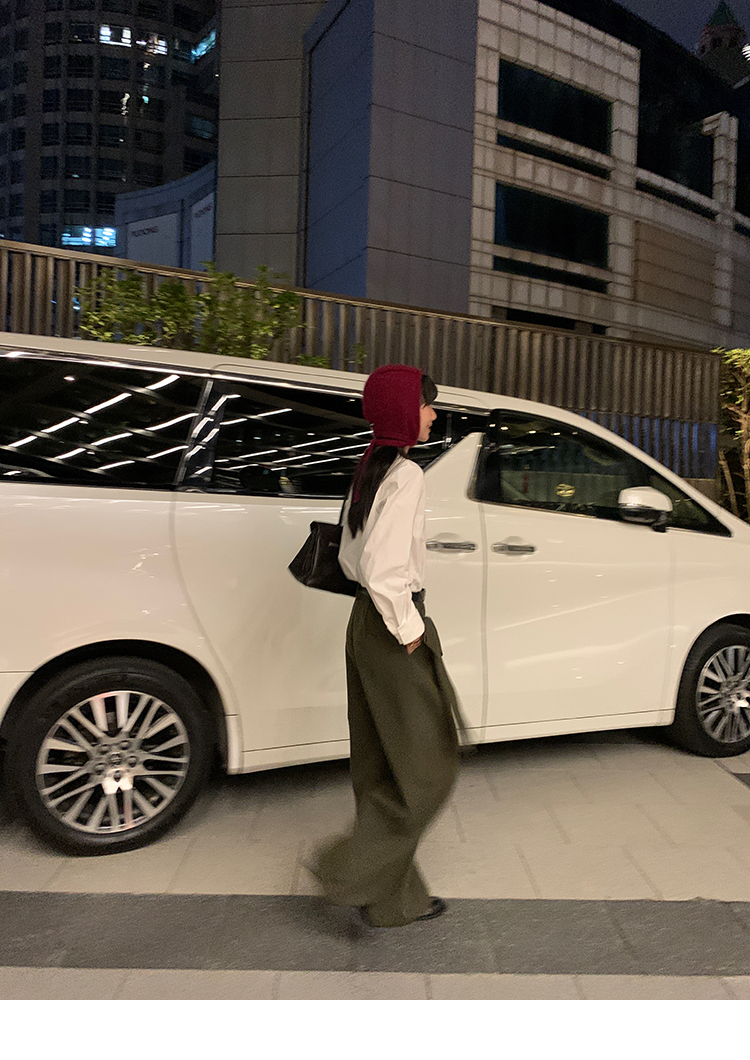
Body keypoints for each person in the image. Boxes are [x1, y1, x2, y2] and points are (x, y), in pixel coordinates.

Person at [310, 363, 464, 928]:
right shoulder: (406, 475)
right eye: (425, 404)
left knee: (380, 764)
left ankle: (394, 901)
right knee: (429, 768)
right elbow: (382, 570)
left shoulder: (369, 468)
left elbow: (352, 558)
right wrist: (410, 630)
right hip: (389, 624)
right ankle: (345, 869)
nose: (433, 414)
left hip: (362, 624)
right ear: (403, 411)